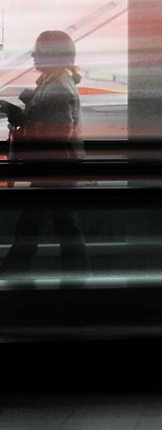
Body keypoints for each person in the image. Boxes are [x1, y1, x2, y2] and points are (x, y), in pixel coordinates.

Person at [0, 30, 87, 274]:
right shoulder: (53, 82)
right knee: (62, 226)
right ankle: (77, 274)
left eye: (38, 51)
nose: (33, 55)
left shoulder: (58, 88)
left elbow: (54, 134)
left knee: (32, 226)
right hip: (57, 168)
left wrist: (20, 117)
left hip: (54, 169)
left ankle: (16, 271)